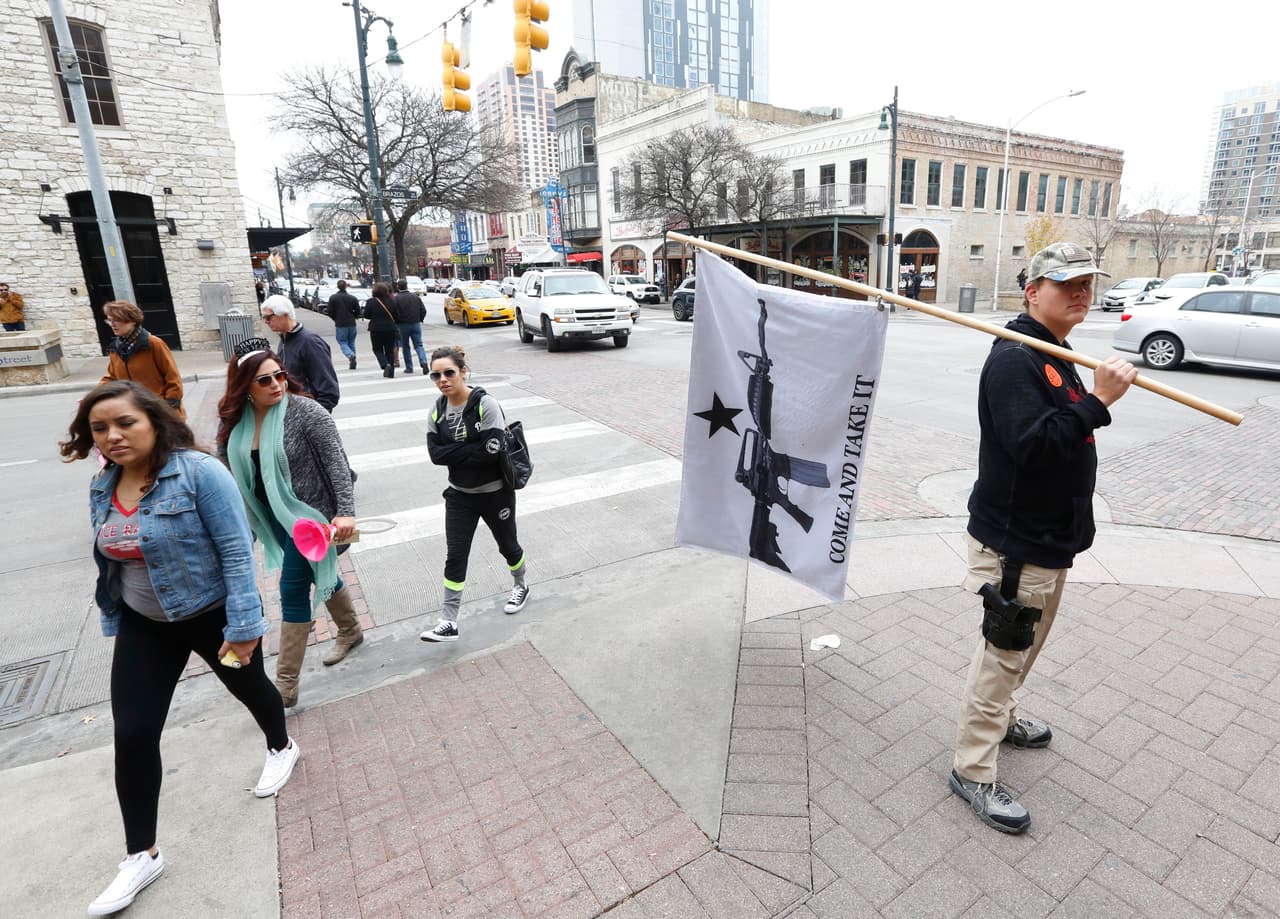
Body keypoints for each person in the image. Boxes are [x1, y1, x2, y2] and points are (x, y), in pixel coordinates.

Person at [60, 381, 298, 917]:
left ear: (154, 420)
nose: (113, 436)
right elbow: (113, 558)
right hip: (145, 625)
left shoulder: (200, 472)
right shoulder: (104, 484)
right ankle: (141, 853)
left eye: (125, 423)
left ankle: (281, 747)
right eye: (100, 428)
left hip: (212, 615)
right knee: (135, 733)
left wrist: (244, 624)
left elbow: (238, 552)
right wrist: (116, 614)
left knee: (250, 688)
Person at [949, 242, 1137, 834]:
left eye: (1087, 283)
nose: (1082, 293)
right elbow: (1032, 446)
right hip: (1016, 545)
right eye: (1067, 284)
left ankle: (1000, 719)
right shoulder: (1015, 358)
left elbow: (1059, 435)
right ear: (1033, 292)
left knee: (1021, 651)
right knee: (1004, 654)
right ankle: (972, 770)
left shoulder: (1054, 350)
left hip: (1049, 539)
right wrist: (1099, 400)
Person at [217, 338, 362, 707]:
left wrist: (345, 512)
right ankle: (350, 629)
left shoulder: (306, 412)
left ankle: (284, 686)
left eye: (279, 375)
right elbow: (229, 477)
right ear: (244, 386)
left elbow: (337, 466)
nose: (277, 385)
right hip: (272, 521)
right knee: (319, 572)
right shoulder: (235, 424)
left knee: (293, 589)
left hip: (311, 519)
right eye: (264, 380)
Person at [420, 345, 530, 642]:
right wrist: (471, 448)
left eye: (448, 373)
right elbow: (434, 454)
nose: (442, 379)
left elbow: (492, 451)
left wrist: (455, 452)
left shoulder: (486, 404)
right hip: (459, 496)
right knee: (455, 556)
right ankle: (449, 620)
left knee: (508, 545)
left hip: (495, 493)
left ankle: (521, 584)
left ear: (463, 372)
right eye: (435, 375)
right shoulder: (437, 410)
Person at [99, 300, 185, 421]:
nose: (112, 324)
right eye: (109, 320)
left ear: (132, 320)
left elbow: (172, 377)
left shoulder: (153, 344)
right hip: (133, 412)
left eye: (116, 320)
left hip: (160, 411)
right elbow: (112, 377)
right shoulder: (116, 349)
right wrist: (95, 395)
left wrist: (169, 406)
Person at [260, 294, 340, 412]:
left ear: (285, 315)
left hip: (309, 416)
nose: (266, 322)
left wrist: (312, 418)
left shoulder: (310, 342)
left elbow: (328, 390)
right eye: (264, 318)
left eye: (269, 317)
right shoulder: (284, 340)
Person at [392, 279, 429, 375]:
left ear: (398, 287)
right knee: (419, 345)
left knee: (405, 346)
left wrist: (396, 322)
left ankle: (409, 367)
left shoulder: (396, 299)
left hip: (402, 325)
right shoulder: (415, 297)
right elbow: (423, 310)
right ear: (407, 286)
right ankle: (423, 361)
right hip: (415, 323)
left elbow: (394, 313)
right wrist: (420, 319)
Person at [363, 282, 399, 378]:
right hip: (390, 329)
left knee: (377, 349)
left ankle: (384, 364)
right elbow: (397, 316)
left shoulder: (371, 301)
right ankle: (391, 372)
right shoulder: (392, 301)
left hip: (376, 329)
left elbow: (366, 315)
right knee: (389, 351)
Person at [326, 280, 361, 370]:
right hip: (351, 322)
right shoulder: (352, 298)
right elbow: (358, 311)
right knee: (351, 341)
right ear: (346, 286)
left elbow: (329, 311)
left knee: (342, 342)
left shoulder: (333, 298)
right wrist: (354, 316)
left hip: (340, 323)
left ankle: (350, 355)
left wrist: (335, 318)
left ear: (338, 287)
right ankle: (352, 359)